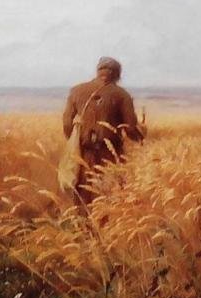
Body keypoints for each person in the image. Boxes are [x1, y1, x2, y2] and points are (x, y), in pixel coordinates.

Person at [61, 56, 145, 199]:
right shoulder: (122, 95)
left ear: (98, 71)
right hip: (110, 155)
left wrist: (76, 142)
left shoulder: (76, 90)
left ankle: (82, 214)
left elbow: (67, 123)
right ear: (116, 74)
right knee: (110, 196)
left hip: (83, 154)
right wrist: (141, 136)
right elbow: (130, 128)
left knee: (83, 196)